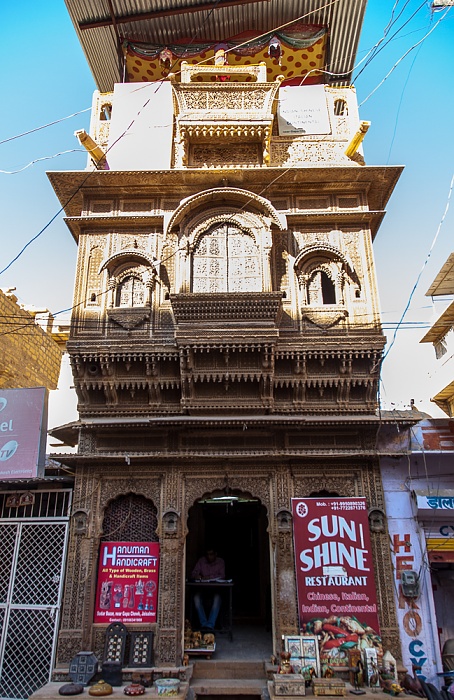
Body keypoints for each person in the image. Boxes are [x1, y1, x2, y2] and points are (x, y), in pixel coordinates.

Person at [191, 549, 225, 631]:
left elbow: (222, 575)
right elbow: (193, 574)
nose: (209, 556)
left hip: (216, 589)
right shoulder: (201, 561)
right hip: (203, 588)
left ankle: (210, 625)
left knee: (217, 599)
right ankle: (204, 624)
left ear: (215, 554)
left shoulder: (220, 562)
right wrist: (197, 576)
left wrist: (210, 577)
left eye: (211, 554)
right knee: (196, 598)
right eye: (208, 554)